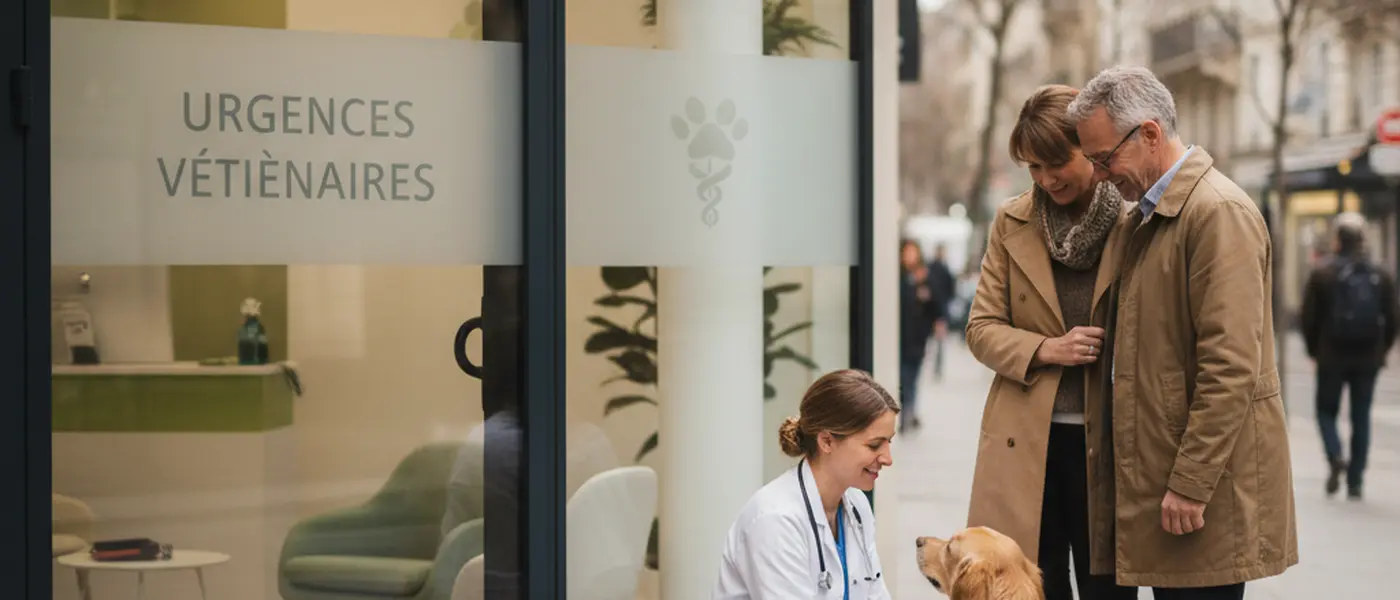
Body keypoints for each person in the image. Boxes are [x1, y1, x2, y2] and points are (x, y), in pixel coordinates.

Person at [1067, 66, 1298, 599]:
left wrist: (1190, 484)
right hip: (1163, 484)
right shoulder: (1148, 215)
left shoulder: (1217, 213)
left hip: (1198, 495)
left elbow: (1231, 365)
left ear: (1149, 134)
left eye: (1105, 158)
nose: (1100, 176)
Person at [964, 84, 1136, 600]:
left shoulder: (1135, 220)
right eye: (1033, 167)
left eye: (1056, 162)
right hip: (1027, 443)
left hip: (1108, 439)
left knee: (1107, 587)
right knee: (1035, 587)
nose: (1045, 179)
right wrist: (1046, 349)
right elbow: (981, 327)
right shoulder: (1012, 220)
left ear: (1089, 145)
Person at [712, 369, 896, 599]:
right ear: (827, 441)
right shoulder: (775, 519)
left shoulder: (857, 506)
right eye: (874, 445)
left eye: (889, 442)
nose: (888, 458)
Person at [1301, 211, 1399, 500]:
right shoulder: (1380, 274)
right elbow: (1393, 319)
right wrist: (1382, 351)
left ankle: (1334, 455)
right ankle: (1355, 480)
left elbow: (1309, 319)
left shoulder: (1323, 273)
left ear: (1337, 240)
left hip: (1331, 355)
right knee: (1361, 416)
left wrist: (1313, 351)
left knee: (1325, 411)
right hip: (1367, 357)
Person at [899, 240, 939, 433]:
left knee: (912, 378)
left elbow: (934, 305)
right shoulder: (897, 277)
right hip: (900, 338)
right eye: (907, 253)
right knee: (903, 378)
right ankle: (906, 413)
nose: (909, 257)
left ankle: (910, 411)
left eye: (913, 253)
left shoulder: (924, 277)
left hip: (917, 338)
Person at [927, 244, 957, 381]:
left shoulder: (932, 268)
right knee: (938, 342)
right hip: (939, 311)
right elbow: (951, 291)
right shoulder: (942, 269)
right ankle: (936, 369)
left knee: (936, 342)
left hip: (934, 311)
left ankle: (936, 369)